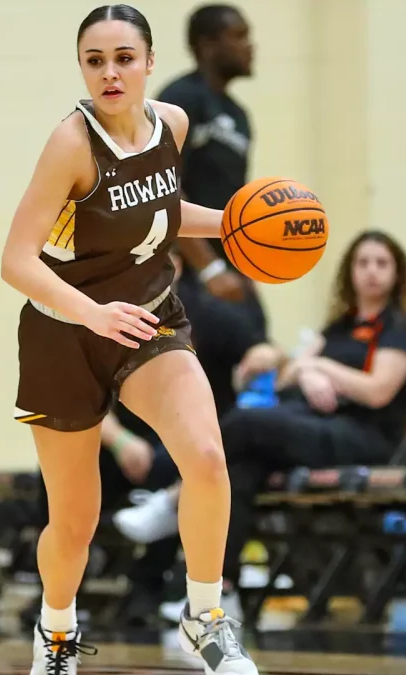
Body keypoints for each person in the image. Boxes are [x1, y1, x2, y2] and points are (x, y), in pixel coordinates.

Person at [0, 5, 258, 674]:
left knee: (205, 455)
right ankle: (56, 630)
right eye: (95, 60)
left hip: (148, 317)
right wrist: (91, 312)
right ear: (83, 68)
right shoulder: (71, 143)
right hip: (65, 332)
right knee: (76, 522)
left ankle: (205, 616)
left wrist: (240, 224)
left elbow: (164, 215)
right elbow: (16, 260)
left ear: (148, 63)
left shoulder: (172, 123)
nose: (110, 72)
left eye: (123, 57)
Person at [217, 230, 406, 608]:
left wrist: (319, 365)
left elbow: (377, 390)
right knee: (242, 467)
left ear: (398, 274)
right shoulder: (340, 325)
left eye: (382, 263)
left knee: (246, 422)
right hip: (319, 427)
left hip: (369, 438)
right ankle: (224, 589)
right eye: (362, 262)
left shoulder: (400, 328)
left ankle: (176, 496)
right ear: (349, 272)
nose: (371, 272)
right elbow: (286, 378)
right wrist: (307, 373)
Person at [156, 5, 268, 417]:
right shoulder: (179, 100)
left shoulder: (239, 117)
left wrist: (245, 266)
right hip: (188, 270)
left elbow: (240, 206)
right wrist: (208, 268)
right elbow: (164, 188)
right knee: (194, 384)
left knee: (254, 355)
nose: (250, 45)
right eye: (239, 35)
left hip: (231, 266)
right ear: (208, 44)